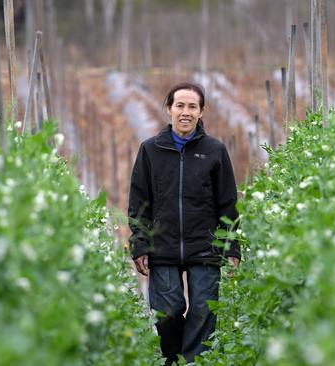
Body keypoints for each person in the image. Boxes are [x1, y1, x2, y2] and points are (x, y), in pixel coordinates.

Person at [128, 82, 240, 364]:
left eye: (193, 106)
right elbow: (139, 202)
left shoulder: (214, 151)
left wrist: (231, 246)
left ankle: (193, 362)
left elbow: (227, 203)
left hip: (205, 246)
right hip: (163, 246)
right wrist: (140, 243)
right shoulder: (150, 150)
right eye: (180, 105)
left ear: (202, 112)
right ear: (169, 110)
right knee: (167, 311)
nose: (186, 112)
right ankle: (173, 358)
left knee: (204, 311)